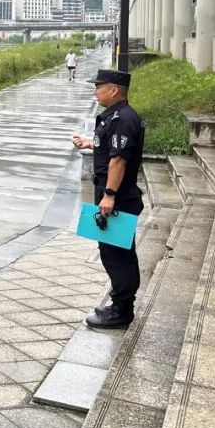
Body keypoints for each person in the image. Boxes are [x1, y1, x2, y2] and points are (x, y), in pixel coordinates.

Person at [73, 69, 145, 329]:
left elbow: (119, 160)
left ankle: (122, 310)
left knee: (118, 255)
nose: (96, 91)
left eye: (99, 87)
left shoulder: (124, 118)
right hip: (112, 195)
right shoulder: (116, 117)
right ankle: (119, 303)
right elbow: (112, 147)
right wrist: (90, 143)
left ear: (114, 90)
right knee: (110, 250)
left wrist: (109, 196)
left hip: (119, 197)